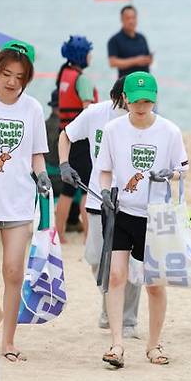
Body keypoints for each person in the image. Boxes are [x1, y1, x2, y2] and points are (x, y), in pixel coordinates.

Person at [97, 71, 188, 367]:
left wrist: (169, 174)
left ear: (155, 100)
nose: (141, 106)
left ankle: (153, 345)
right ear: (125, 98)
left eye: (147, 101)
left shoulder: (169, 131)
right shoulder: (113, 130)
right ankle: (117, 344)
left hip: (156, 215)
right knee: (115, 276)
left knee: (154, 284)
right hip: (122, 211)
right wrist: (105, 193)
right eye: (136, 100)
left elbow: (182, 169)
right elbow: (105, 170)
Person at [58, 76, 141, 339]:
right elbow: (66, 135)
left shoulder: (142, 118)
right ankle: (109, 306)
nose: (134, 106)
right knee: (96, 258)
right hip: (96, 197)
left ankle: (127, 320)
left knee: (129, 263)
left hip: (132, 201)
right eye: (128, 100)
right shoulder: (96, 113)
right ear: (119, 96)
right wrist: (64, 164)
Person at [0, 40, 51, 362]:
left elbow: (37, 154)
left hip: (18, 201)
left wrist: (42, 177)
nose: (12, 81)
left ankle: (9, 341)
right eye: (6, 74)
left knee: (14, 271)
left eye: (19, 76)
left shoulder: (33, 109)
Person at [54, 35, 98, 242]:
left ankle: (60, 234)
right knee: (87, 187)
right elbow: (88, 110)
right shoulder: (82, 79)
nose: (90, 56)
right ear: (82, 55)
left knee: (68, 189)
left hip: (65, 135)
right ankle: (89, 236)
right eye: (88, 52)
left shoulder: (64, 73)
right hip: (80, 139)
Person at [107, 5, 152, 78]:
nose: (131, 21)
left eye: (133, 18)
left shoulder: (142, 38)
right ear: (121, 19)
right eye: (128, 18)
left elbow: (147, 57)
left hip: (144, 82)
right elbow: (112, 62)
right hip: (126, 83)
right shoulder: (114, 40)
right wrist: (136, 61)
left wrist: (148, 60)